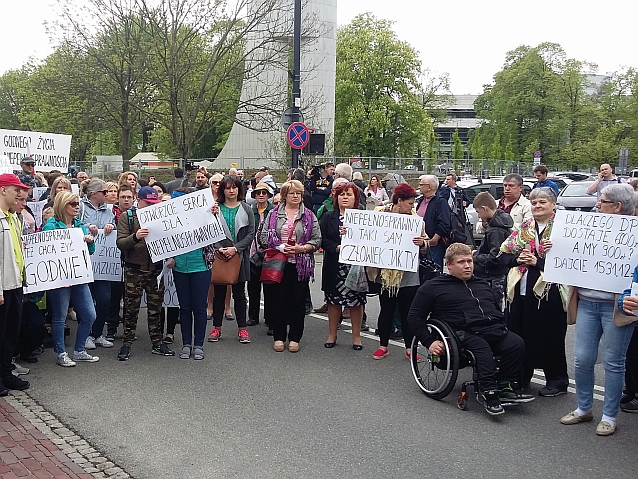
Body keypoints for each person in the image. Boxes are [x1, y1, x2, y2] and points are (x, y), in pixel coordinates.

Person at [407, 243, 534, 416]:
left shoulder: (481, 284)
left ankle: (506, 385)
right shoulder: (432, 287)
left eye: (469, 261)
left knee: (516, 343)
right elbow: (414, 317)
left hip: (491, 328)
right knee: (482, 349)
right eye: (461, 262)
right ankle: (488, 393)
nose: (467, 265)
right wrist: (429, 341)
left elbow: (495, 309)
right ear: (449, 265)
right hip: (461, 332)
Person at [561, 183, 637, 436]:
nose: (596, 204)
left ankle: (609, 415)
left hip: (616, 308)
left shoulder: (633, 235)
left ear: (617, 207)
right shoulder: (588, 227)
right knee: (582, 359)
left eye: (602, 201)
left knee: (614, 363)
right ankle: (584, 408)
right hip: (587, 303)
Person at [500, 187, 569, 396]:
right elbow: (504, 255)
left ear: (553, 205)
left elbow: (568, 266)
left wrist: (537, 261)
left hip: (550, 292)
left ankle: (557, 380)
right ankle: (521, 376)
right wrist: (517, 259)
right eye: (534, 202)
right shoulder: (525, 228)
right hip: (520, 291)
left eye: (543, 202)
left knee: (550, 336)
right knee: (519, 335)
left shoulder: (562, 230)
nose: (537, 206)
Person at [258, 180, 321, 352]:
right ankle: (279, 336)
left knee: (298, 302)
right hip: (279, 263)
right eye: (292, 193)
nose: (295, 196)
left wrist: (302, 248)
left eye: (298, 193)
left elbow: (316, 240)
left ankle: (294, 337)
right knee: (278, 301)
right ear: (285, 195)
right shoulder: (272, 214)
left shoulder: (309, 215)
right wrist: (280, 247)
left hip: (299, 264)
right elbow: (263, 237)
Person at [116, 186, 175, 360]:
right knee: (131, 308)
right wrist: (136, 236)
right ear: (138, 200)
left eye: (153, 203)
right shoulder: (128, 217)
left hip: (156, 270)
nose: (151, 206)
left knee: (155, 309)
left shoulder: (161, 217)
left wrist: (171, 255)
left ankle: (157, 343)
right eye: (147, 203)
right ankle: (127, 343)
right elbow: (120, 243)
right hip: (134, 269)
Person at [370, 183, 428, 360]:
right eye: (410, 203)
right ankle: (383, 345)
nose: (413, 207)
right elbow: (365, 235)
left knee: (407, 312)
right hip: (385, 275)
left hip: (408, 274)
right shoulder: (379, 214)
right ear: (399, 201)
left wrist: (422, 243)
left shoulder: (416, 220)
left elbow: (425, 243)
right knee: (386, 310)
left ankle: (410, 349)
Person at [42, 191, 99, 367]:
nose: (76, 207)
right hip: (59, 279)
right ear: (62, 205)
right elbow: (45, 253)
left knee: (90, 315)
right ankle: (61, 353)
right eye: (72, 204)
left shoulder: (80, 226)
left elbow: (90, 252)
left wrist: (90, 241)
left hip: (78, 277)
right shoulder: (50, 227)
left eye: (77, 204)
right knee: (59, 317)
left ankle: (79, 350)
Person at [207, 176, 255, 344]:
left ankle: (242, 329)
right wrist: (219, 247)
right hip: (220, 255)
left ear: (239, 189)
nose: (231, 191)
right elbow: (209, 230)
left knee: (240, 294)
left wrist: (236, 248)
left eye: (234, 187)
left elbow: (251, 233)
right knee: (219, 294)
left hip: (239, 255)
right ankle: (216, 328)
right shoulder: (215, 208)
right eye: (228, 188)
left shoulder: (247, 209)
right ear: (223, 190)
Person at [167, 188, 213, 360]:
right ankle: (187, 343)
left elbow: (217, 232)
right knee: (184, 307)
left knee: (199, 307)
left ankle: (199, 344)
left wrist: (214, 215)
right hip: (179, 268)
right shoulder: (170, 221)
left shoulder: (205, 216)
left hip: (200, 266)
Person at [320, 182, 366, 350]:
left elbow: (372, 240)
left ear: (356, 199)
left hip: (356, 266)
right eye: (342, 195)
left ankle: (356, 336)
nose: (345, 197)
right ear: (336, 198)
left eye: (349, 194)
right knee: (333, 301)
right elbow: (322, 239)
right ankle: (332, 334)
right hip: (335, 264)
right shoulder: (328, 217)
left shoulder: (364, 217)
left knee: (357, 302)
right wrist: (336, 247)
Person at [0, 175, 31, 393]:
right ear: (3, 190)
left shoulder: (13, 218)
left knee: (11, 331)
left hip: (15, 283)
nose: (19, 194)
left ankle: (5, 372)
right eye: (15, 189)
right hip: (3, 285)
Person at [78, 179, 117, 350]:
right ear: (94, 194)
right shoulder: (80, 207)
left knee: (104, 299)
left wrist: (111, 226)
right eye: (104, 192)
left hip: (103, 266)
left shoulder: (108, 211)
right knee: (85, 301)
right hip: (85, 262)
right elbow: (73, 226)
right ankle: (85, 335)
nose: (108, 195)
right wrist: (87, 227)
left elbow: (114, 231)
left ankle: (97, 333)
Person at [105, 185, 136, 341]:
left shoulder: (138, 215)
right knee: (114, 297)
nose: (125, 200)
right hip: (112, 262)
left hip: (131, 261)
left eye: (128, 197)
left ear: (133, 198)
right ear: (117, 198)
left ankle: (128, 330)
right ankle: (111, 329)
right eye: (123, 197)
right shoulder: (110, 214)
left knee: (129, 298)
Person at [472, 192, 513, 308]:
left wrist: (476, 257)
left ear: (484, 209)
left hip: (493, 277)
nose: (479, 216)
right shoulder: (498, 224)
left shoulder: (495, 230)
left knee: (493, 307)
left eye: (478, 212)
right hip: (495, 276)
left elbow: (495, 257)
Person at [247, 183, 274, 331]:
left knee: (269, 289)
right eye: (258, 193)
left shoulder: (273, 211)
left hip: (268, 254)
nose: (261, 195)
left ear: (269, 195)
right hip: (252, 254)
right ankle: (253, 316)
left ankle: (270, 319)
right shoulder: (250, 211)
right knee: (252, 287)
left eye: (264, 192)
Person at [415, 175, 451, 276]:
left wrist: (434, 240)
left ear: (429, 187)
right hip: (422, 244)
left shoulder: (440, 202)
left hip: (433, 245)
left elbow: (444, 223)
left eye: (421, 185)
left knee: (432, 273)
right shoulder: (421, 201)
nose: (419, 187)